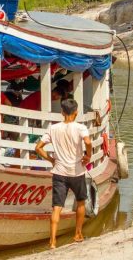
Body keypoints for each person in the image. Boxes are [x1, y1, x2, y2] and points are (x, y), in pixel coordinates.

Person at [35, 99, 92, 249]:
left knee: (57, 207)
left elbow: (38, 147)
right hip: (76, 172)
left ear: (61, 112)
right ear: (76, 113)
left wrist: (51, 160)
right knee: (81, 202)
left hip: (59, 172)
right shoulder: (80, 128)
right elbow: (87, 142)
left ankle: (52, 242)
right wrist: (88, 156)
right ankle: (77, 234)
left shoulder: (53, 129)